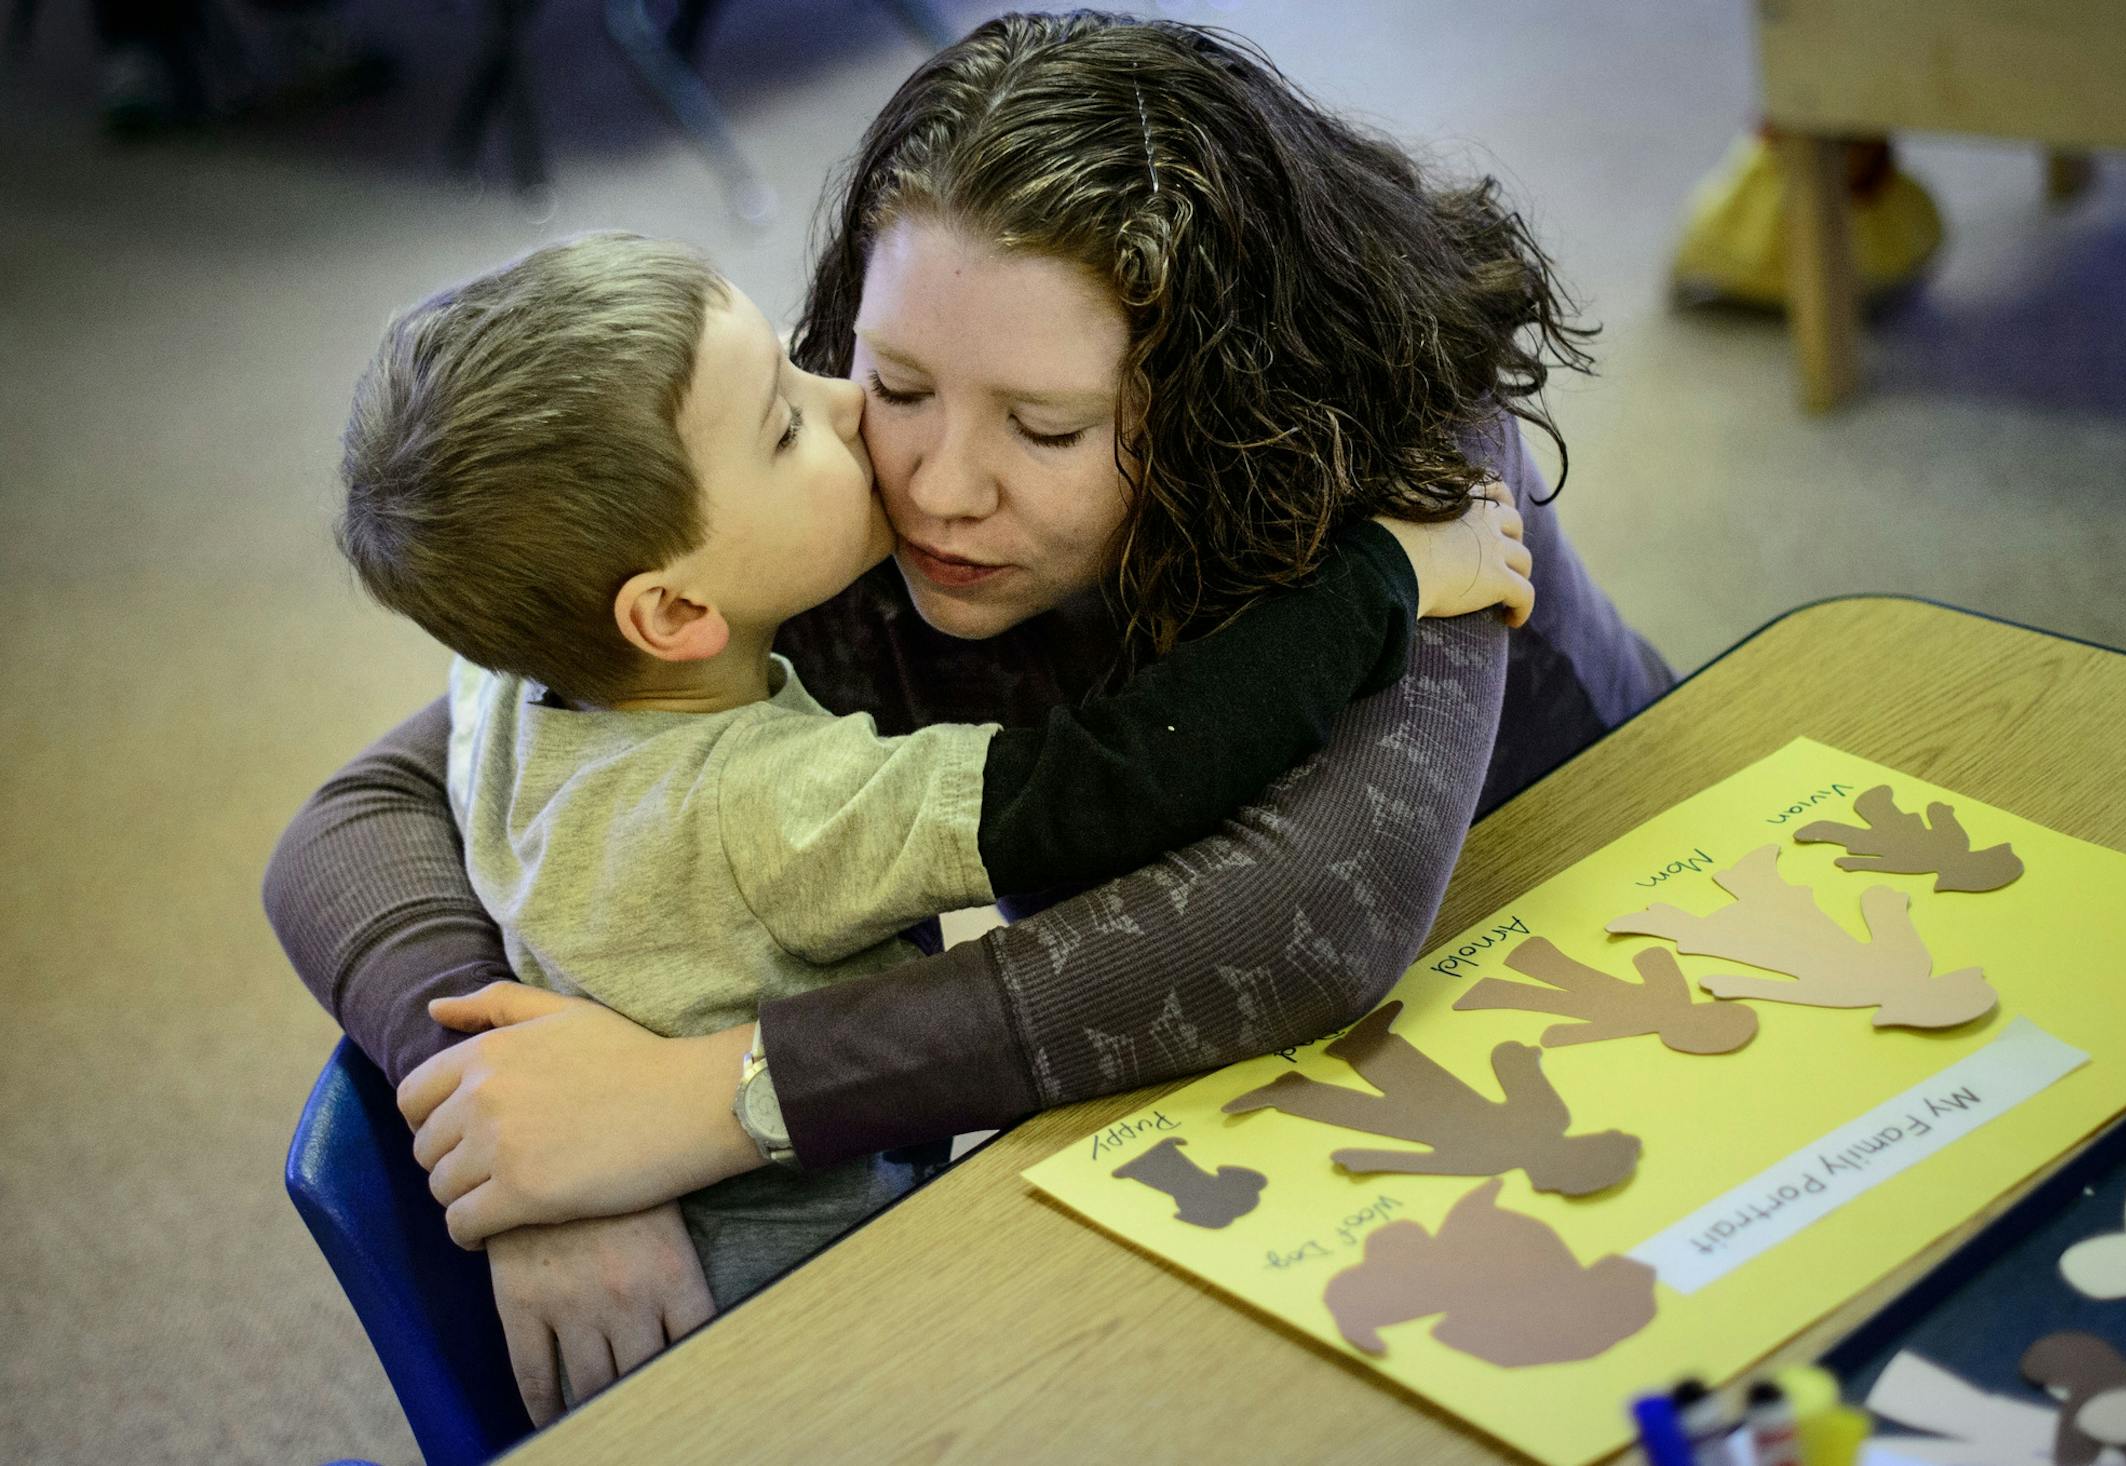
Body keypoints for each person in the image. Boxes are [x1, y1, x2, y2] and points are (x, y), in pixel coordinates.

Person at [265, 11, 1673, 1425]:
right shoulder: (805, 506)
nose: (936, 488)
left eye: (1044, 430)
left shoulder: (1408, 448)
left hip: (1596, 943)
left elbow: (1311, 915)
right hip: (1209, 1093)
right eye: (893, 384)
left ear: (1218, 405)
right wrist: (512, 1130)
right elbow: (363, 817)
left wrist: (705, 1101)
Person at [334, 229, 1533, 1312]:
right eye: (787, 424)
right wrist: (1383, 579)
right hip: (829, 1290)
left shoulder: (498, 687)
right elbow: (1114, 779)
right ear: (673, 611)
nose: (849, 406)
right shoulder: (770, 802)